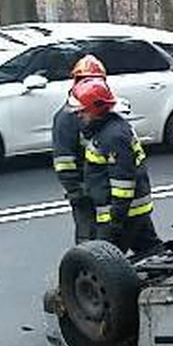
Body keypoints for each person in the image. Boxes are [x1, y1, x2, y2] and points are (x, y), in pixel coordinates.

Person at [69, 78, 162, 256]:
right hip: (132, 210)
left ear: (96, 109)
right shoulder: (108, 128)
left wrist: (115, 221)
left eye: (82, 111)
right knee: (151, 252)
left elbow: (123, 183)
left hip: (123, 213)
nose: (78, 115)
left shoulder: (112, 137)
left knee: (104, 262)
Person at [51, 54, 106, 245]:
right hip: (83, 190)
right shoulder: (66, 118)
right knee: (88, 237)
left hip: (103, 188)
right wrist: (76, 191)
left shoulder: (101, 109)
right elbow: (63, 161)